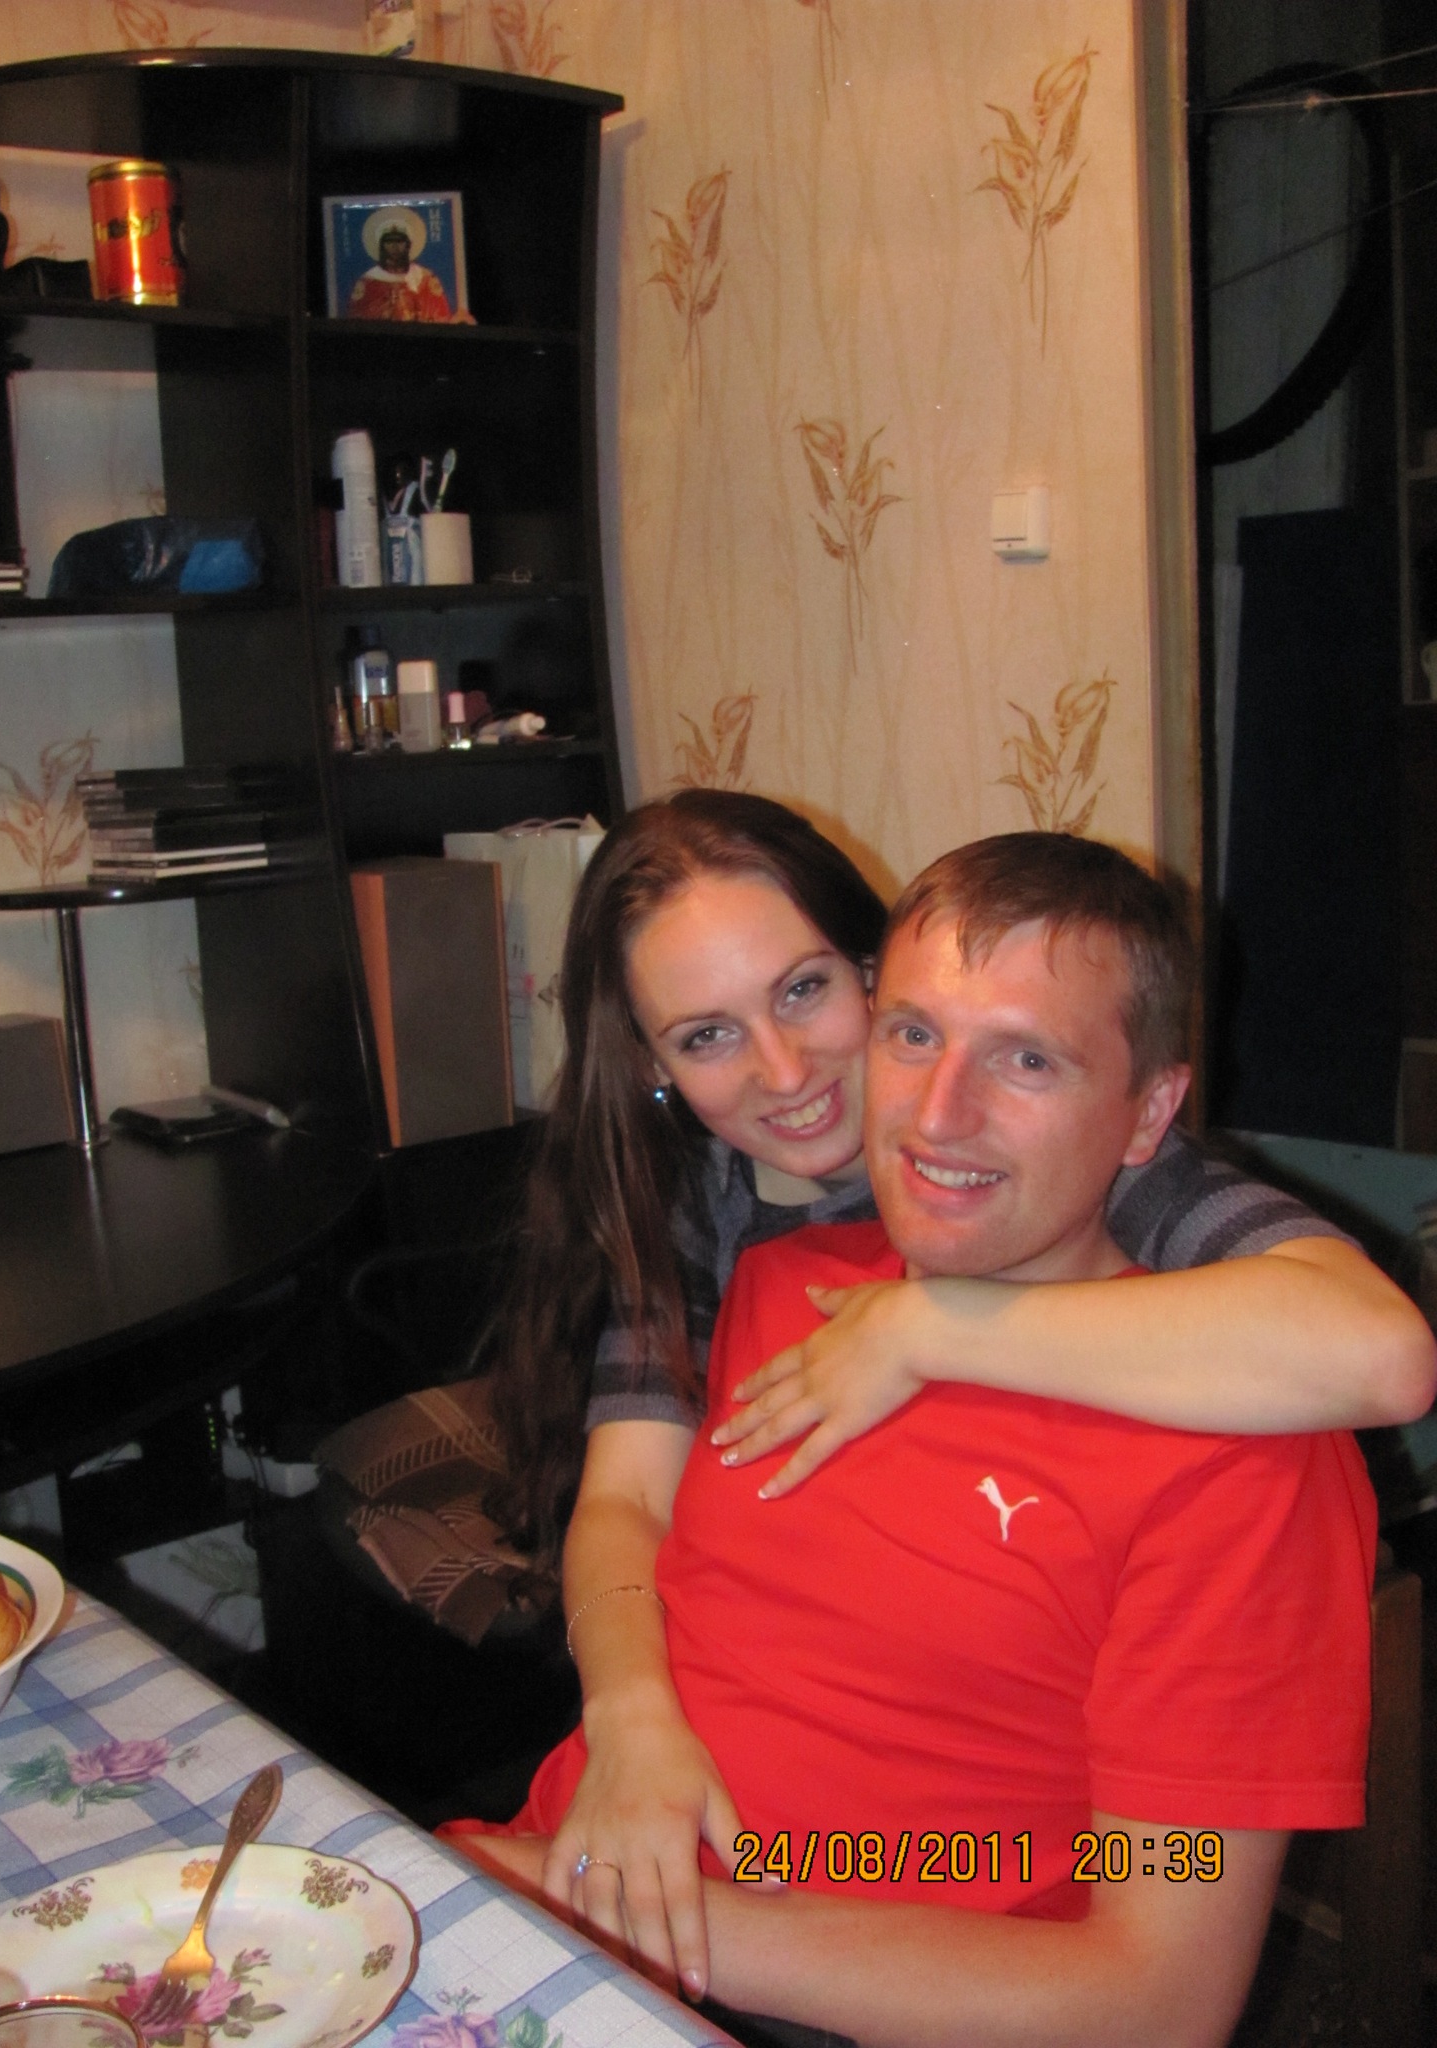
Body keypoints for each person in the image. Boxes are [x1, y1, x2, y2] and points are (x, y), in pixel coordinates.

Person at [481, 791, 1433, 1995]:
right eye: (917, 1036)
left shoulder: (1219, 1379)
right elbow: (627, 1502)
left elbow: (1156, 1986)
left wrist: (929, 1323)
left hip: (713, 1960)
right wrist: (623, 1726)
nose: (936, 1113)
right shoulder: (745, 1250)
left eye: (1026, 1057)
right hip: (543, 1881)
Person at [347, 208, 459, 323]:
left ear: (408, 245)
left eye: (399, 241)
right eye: (389, 242)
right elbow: (357, 317)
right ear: (381, 246)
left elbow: (439, 314)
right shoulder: (368, 282)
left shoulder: (425, 279)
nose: (394, 246)